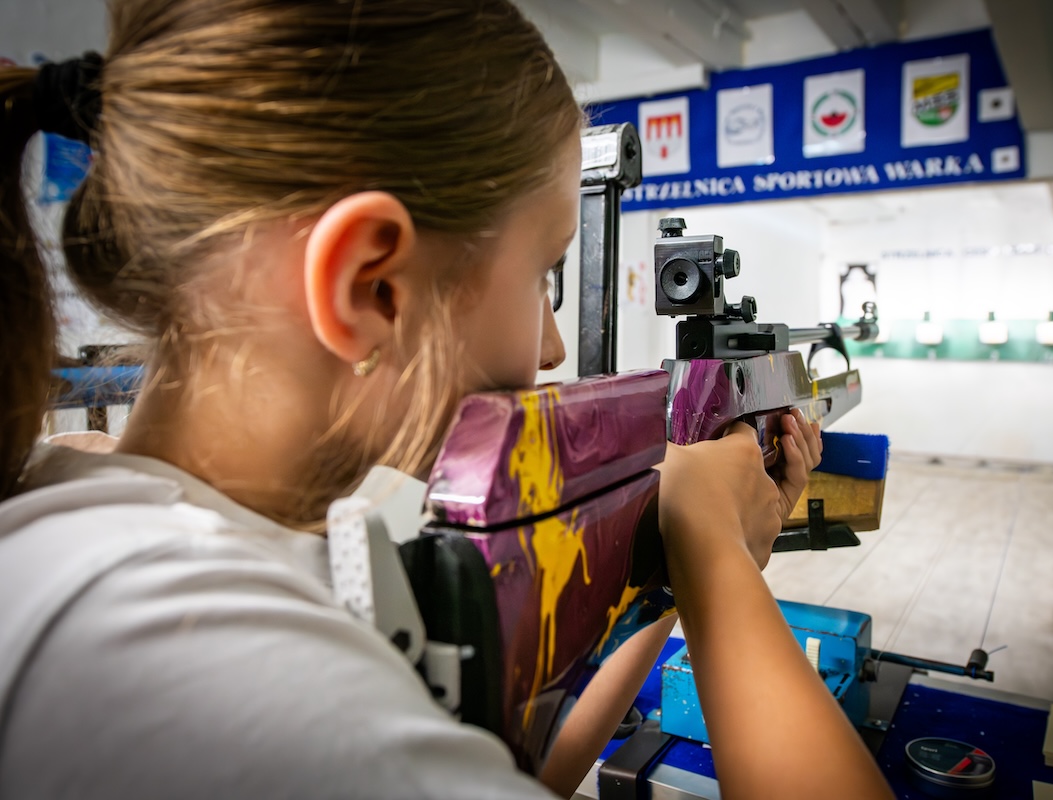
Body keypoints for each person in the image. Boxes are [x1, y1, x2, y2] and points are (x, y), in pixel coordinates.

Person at [0, 2, 894, 798]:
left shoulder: (107, 533)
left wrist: (668, 576)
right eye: (542, 277)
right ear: (371, 286)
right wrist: (716, 558)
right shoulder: (252, 695)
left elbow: (504, 771)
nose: (551, 347)